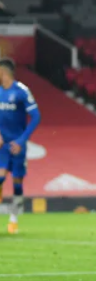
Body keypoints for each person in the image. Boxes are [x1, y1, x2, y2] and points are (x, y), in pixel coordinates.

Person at [0, 58, 40, 234]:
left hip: (18, 146)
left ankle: (13, 219)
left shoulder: (21, 91)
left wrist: (21, 141)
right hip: (2, 145)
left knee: (17, 183)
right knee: (0, 177)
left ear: (3, 72)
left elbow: (36, 116)